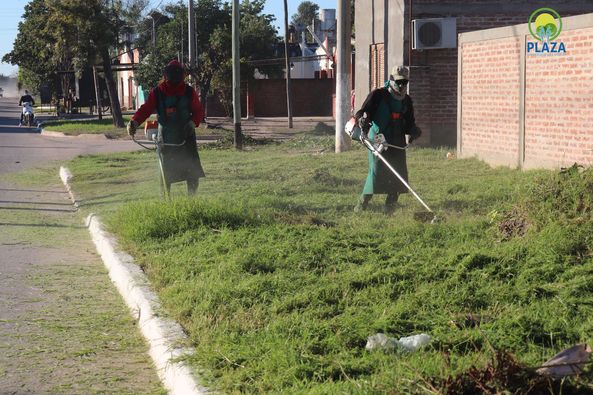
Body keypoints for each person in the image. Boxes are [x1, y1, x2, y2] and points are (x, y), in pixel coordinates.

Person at [127, 60, 205, 196]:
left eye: (177, 73)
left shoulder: (189, 92)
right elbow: (145, 109)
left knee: (192, 171)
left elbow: (198, 111)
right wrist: (134, 122)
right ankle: (166, 202)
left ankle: (192, 201)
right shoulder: (157, 93)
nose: (174, 77)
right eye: (172, 73)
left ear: (182, 75)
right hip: (166, 139)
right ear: (166, 75)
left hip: (186, 137)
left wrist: (193, 122)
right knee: (165, 174)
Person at [351, 66, 422, 214]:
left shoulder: (407, 101)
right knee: (376, 172)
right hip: (378, 141)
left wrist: (414, 131)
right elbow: (363, 111)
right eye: (399, 81)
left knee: (398, 174)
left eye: (405, 82)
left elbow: (409, 123)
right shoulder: (378, 95)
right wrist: (362, 120)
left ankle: (389, 208)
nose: (402, 85)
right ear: (391, 79)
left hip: (397, 142)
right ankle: (361, 206)